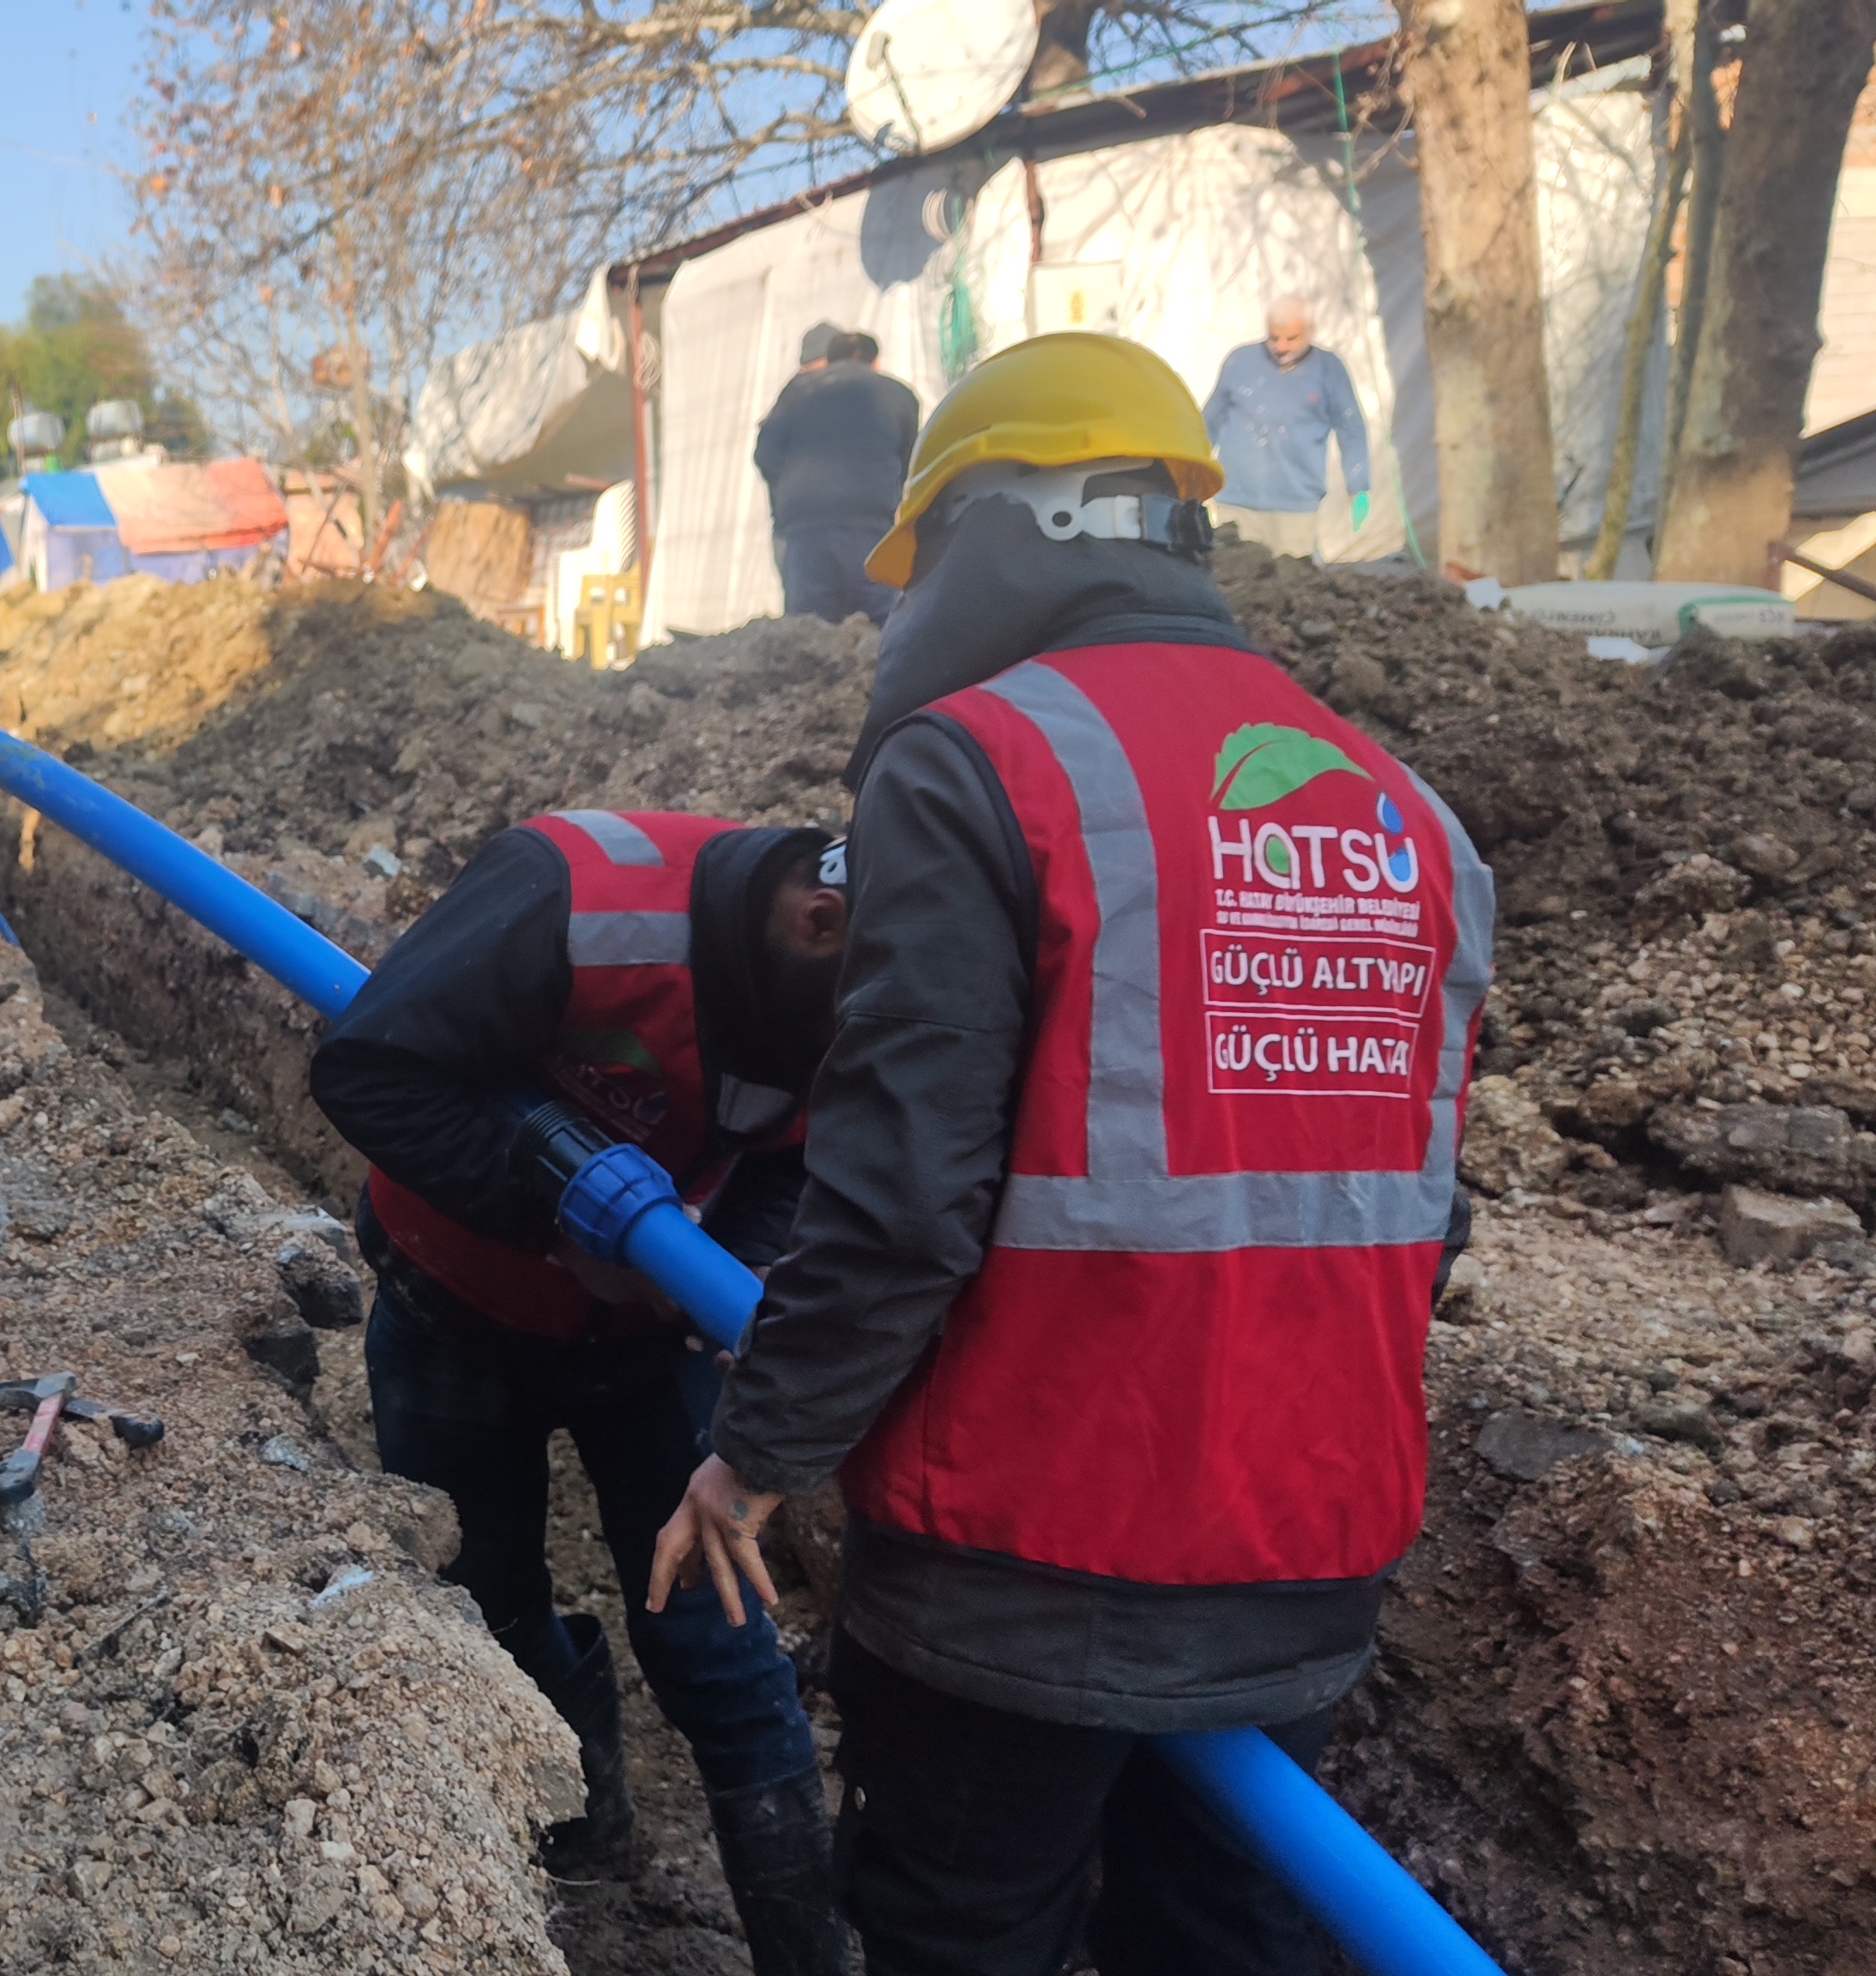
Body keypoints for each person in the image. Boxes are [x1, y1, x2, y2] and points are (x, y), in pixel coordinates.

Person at [648, 331, 1492, 1975]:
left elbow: (898, 1198)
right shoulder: (1412, 817)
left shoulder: (980, 762)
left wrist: (749, 1453)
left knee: (964, 1933)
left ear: (1004, 526)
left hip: (1021, 1560)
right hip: (1303, 1554)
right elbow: (1417, 1221)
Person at [309, 810, 853, 1976]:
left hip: (647, 1341)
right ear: (820, 920)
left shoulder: (867, 990)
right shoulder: (575, 895)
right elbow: (368, 1067)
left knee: (725, 1651)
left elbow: (792, 1159)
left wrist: (737, 1275)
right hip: (454, 1303)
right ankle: (579, 1812)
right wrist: (557, 1207)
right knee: (485, 1607)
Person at [755, 329, 923, 624]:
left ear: (830, 361)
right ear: (875, 362)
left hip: (806, 530)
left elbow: (766, 455)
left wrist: (792, 493)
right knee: (881, 629)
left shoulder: (797, 391)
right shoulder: (900, 395)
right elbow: (911, 462)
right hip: (869, 529)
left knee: (808, 632)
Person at [1199, 297, 1372, 562]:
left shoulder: (1328, 369)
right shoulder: (1240, 362)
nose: (1281, 347)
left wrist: (1358, 486)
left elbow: (1351, 428)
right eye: (1273, 338)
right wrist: (1190, 473)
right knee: (1238, 582)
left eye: (1291, 338)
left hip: (1296, 505)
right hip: (1238, 501)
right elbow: (1208, 422)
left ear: (1311, 332)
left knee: (1294, 584)